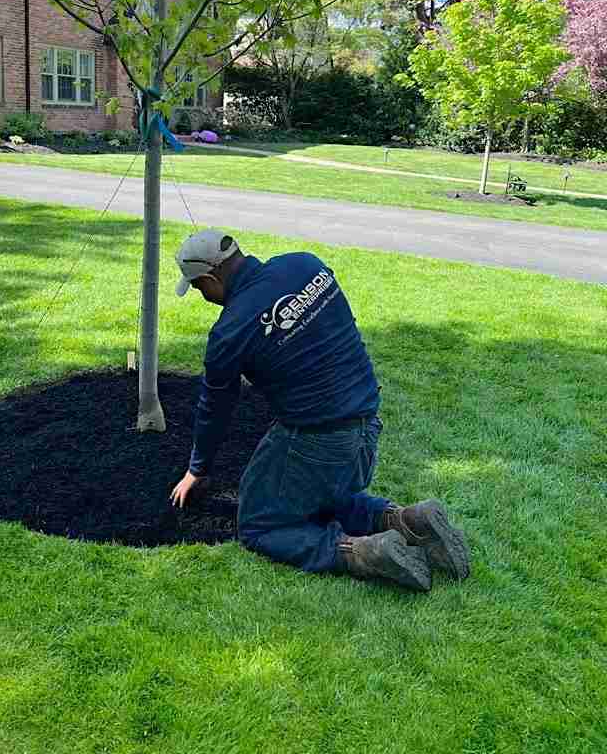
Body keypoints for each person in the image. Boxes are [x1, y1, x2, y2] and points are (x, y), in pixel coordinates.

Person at [170, 229, 470, 592]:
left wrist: (197, 471)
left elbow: (214, 409)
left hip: (318, 439)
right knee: (316, 498)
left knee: (258, 523)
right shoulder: (306, 264)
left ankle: (361, 551)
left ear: (210, 278)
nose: (203, 297)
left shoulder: (229, 333)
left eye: (200, 289)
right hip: (367, 426)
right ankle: (407, 520)